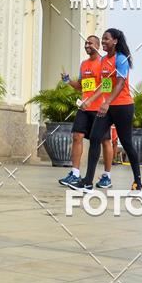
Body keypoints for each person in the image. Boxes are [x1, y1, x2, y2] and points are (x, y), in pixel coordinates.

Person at [72, 28, 142, 192]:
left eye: (106, 39)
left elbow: (119, 83)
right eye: (102, 39)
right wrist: (91, 100)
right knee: (95, 137)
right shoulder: (104, 60)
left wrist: (107, 102)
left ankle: (137, 181)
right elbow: (105, 86)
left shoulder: (121, 59)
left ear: (115, 41)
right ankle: (88, 182)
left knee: (127, 143)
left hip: (123, 107)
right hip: (108, 107)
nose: (103, 42)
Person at [58, 36, 114, 189]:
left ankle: (107, 176)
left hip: (100, 109)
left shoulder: (105, 62)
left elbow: (107, 85)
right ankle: (75, 173)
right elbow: (82, 86)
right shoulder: (84, 64)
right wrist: (68, 81)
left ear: (97, 45)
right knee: (77, 136)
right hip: (84, 108)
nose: (87, 45)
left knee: (104, 141)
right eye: (86, 43)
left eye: (90, 43)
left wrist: (98, 101)